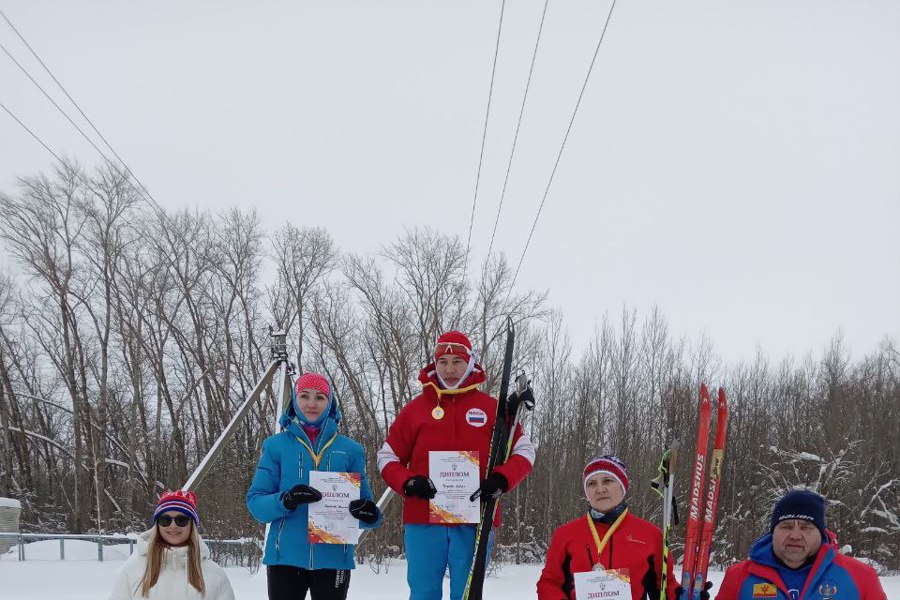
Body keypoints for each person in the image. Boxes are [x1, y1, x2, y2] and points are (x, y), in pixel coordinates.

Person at [378, 330, 535, 600]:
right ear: (434, 364)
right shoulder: (416, 409)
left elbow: (524, 450)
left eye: (457, 361)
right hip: (423, 518)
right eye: (443, 362)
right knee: (423, 591)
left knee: (467, 592)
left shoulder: (490, 408)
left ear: (470, 363)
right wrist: (408, 482)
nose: (449, 369)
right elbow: (387, 456)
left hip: (474, 516)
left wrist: (501, 479)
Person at [247, 372, 382, 600]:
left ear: (329, 404)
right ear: (294, 401)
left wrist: (369, 514)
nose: (311, 404)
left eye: (320, 397)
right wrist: (286, 500)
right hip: (285, 557)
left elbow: (369, 512)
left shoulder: (351, 450)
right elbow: (256, 504)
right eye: (304, 396)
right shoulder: (275, 446)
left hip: (334, 557)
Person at [537, 455, 677, 600]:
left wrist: (683, 595)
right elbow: (549, 583)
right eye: (591, 484)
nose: (600, 489)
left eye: (607, 481)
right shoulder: (565, 534)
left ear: (622, 487)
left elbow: (665, 584)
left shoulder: (650, 534)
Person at [716, 489, 887, 600]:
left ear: (821, 534)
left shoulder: (861, 577)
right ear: (773, 532)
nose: (795, 535)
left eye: (806, 528)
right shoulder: (738, 576)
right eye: (786, 526)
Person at [108, 490, 235, 600]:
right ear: (157, 525)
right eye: (165, 520)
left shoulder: (214, 573)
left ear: (192, 525)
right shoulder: (133, 570)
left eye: (181, 520)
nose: (173, 526)